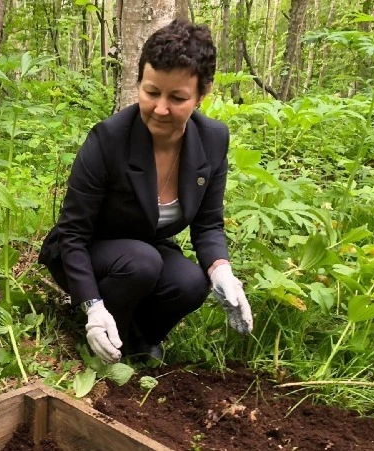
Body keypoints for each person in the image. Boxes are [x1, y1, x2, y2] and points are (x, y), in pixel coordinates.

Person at [38, 19, 252, 364]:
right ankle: (100, 332)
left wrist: (222, 271)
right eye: (151, 92)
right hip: (86, 254)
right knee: (142, 262)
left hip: (145, 253)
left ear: (202, 94)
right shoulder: (109, 139)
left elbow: (208, 224)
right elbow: (72, 234)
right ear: (139, 82)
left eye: (177, 97)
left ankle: (138, 338)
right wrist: (92, 306)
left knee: (191, 281)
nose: (161, 108)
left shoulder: (213, 140)